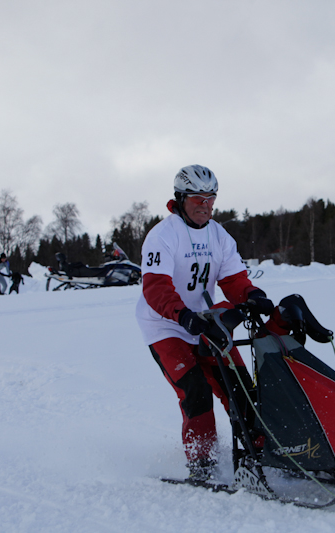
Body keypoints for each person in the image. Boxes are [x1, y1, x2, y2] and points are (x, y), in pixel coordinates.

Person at [135, 165, 274, 480]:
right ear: (181, 198)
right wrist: (182, 315)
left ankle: (259, 452)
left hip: (206, 321)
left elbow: (234, 279)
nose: (206, 205)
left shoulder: (219, 235)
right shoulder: (162, 235)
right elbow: (156, 287)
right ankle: (202, 464)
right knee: (196, 390)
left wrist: (253, 294)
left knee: (241, 387)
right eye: (198, 198)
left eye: (211, 198)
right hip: (166, 325)